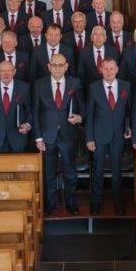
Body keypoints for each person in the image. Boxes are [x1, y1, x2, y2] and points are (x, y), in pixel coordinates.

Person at [32, 54, 83, 215]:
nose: (58, 68)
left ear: (66, 66)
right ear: (49, 66)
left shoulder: (75, 83)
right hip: (47, 137)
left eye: (61, 65)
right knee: (49, 173)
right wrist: (38, 137)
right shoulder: (39, 84)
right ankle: (50, 204)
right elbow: (35, 112)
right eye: (54, 65)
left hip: (68, 135)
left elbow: (83, 106)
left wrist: (80, 117)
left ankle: (71, 203)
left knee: (70, 172)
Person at [85, 58, 132, 215]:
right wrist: (89, 138)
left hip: (118, 135)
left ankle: (118, 202)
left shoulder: (126, 86)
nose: (109, 71)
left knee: (117, 171)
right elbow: (89, 114)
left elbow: (128, 111)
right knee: (97, 171)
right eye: (106, 68)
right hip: (99, 136)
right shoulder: (93, 87)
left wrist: (128, 127)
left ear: (117, 69)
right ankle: (96, 202)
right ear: (101, 70)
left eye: (112, 68)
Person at [0, 60, 33, 153]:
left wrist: (27, 125)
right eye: (2, 71)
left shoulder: (24, 87)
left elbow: (30, 111)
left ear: (14, 72)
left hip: (18, 140)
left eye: (9, 70)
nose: (6, 73)